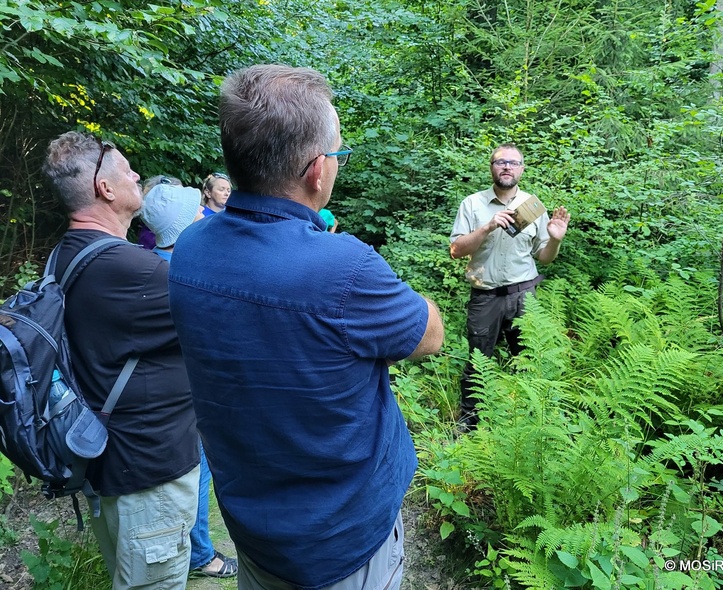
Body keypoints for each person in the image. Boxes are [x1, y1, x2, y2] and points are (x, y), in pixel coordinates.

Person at [167, 64, 444, 590]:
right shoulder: (346, 269)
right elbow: (430, 335)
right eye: (337, 153)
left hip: (254, 530)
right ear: (318, 171)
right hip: (342, 543)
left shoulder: (189, 250)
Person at [41, 132, 200, 590]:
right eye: (128, 169)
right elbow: (233, 327)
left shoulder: (65, 255)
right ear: (105, 189)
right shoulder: (137, 272)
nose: (136, 176)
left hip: (104, 461)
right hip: (148, 475)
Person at [140, 184, 238, 579]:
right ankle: (201, 556)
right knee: (197, 471)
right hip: (185, 393)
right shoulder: (174, 273)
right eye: (195, 212)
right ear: (182, 226)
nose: (203, 215)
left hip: (174, 390)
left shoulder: (152, 262)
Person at [450, 143, 570, 428]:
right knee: (478, 361)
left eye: (513, 163)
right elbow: (456, 250)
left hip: (523, 295)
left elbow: (545, 258)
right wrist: (487, 227)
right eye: (500, 162)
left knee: (529, 358)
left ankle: (532, 421)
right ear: (491, 167)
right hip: (485, 295)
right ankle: (470, 422)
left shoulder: (532, 205)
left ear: (522, 169)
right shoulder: (472, 204)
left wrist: (555, 239)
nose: (507, 167)